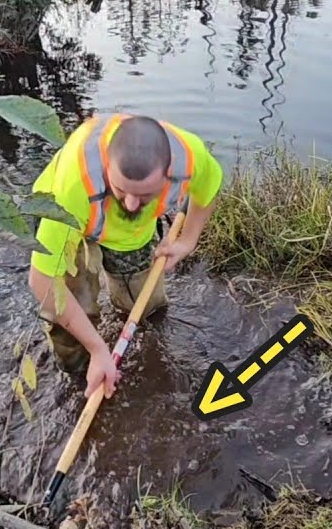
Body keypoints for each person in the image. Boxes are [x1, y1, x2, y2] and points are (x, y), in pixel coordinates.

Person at [27, 112, 223, 400]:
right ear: (108, 165)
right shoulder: (72, 187)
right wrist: (97, 349)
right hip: (68, 225)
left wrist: (188, 240)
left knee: (148, 308)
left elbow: (210, 187)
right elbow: (42, 280)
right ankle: (80, 375)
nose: (131, 204)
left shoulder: (189, 156)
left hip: (129, 235)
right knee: (71, 318)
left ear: (169, 174)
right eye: (121, 190)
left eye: (145, 195)